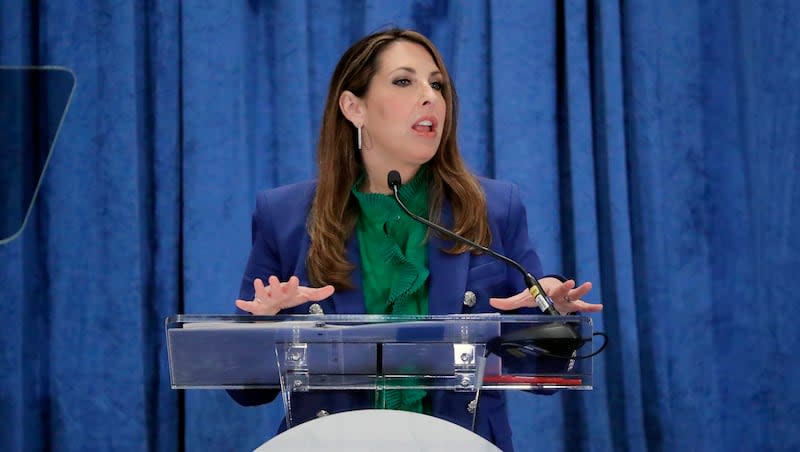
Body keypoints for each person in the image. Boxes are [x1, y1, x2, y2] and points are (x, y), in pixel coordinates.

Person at [230, 28, 602, 451]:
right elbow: (247, 391)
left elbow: (543, 378)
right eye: (405, 81)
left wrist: (549, 318)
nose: (431, 97)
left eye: (437, 84)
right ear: (354, 107)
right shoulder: (285, 216)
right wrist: (264, 326)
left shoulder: (495, 207)